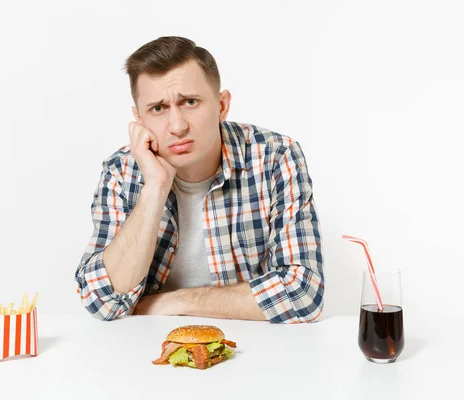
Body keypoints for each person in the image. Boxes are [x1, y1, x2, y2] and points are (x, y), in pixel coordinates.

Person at [74, 36, 324, 323]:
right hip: (144, 350)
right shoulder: (121, 170)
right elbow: (102, 302)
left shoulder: (275, 157)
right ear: (139, 120)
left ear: (222, 105)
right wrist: (154, 188)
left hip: (251, 349)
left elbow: (304, 293)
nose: (178, 126)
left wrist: (177, 300)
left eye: (190, 102)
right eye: (158, 108)